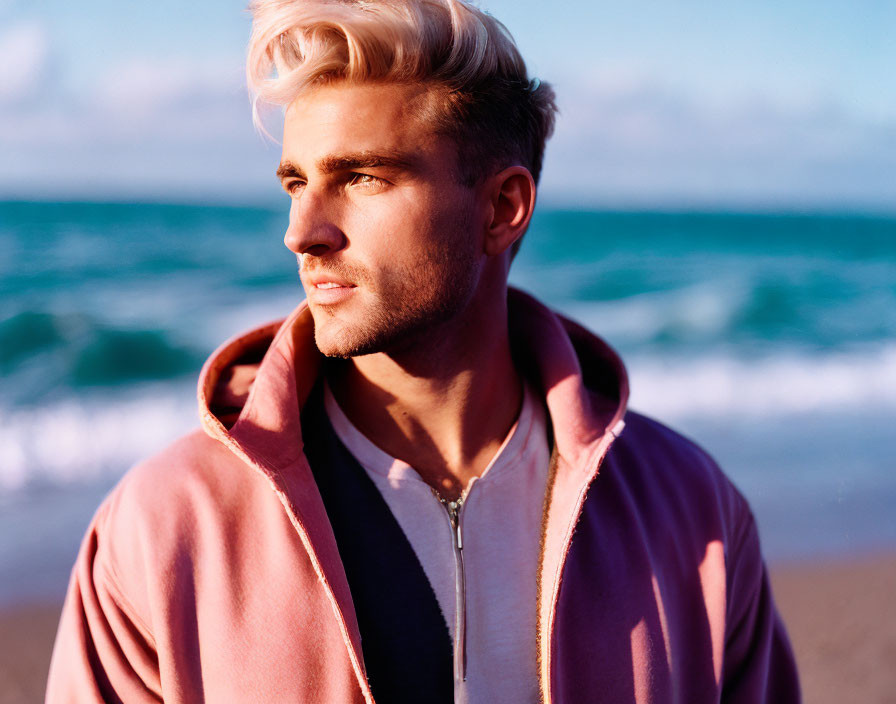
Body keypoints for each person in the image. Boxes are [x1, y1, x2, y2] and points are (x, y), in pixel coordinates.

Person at [46, 1, 800, 702]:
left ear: (502, 207)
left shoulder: (689, 513)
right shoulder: (164, 530)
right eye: (296, 183)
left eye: (362, 177)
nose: (302, 232)